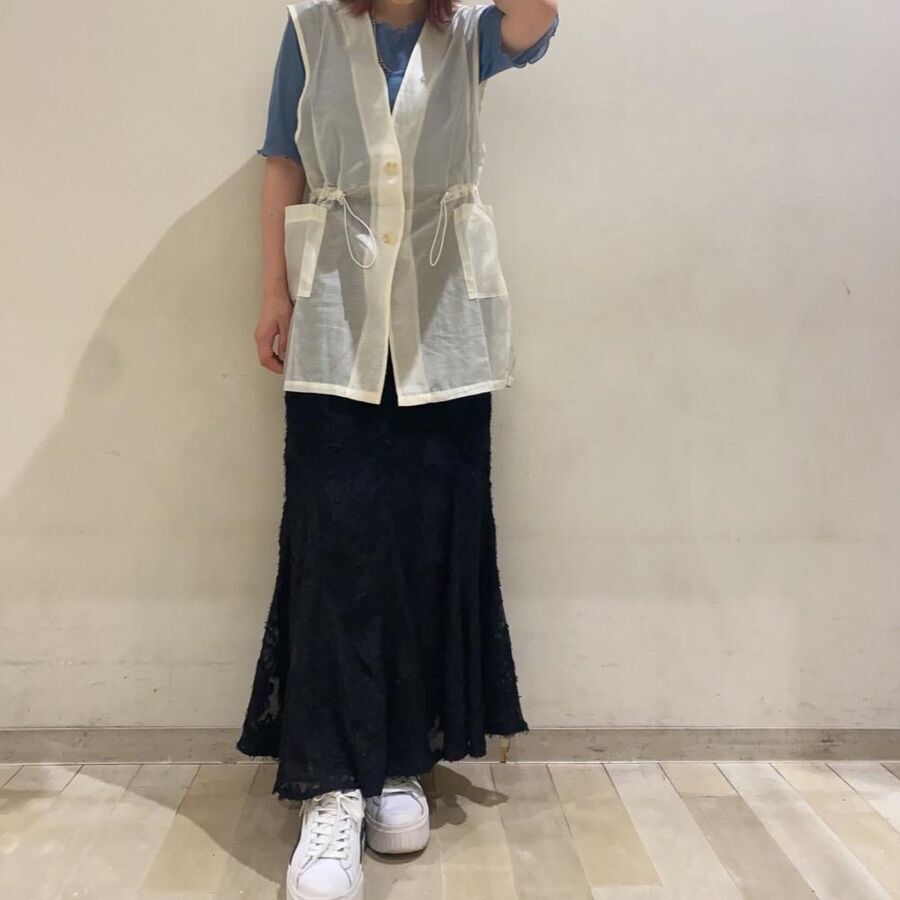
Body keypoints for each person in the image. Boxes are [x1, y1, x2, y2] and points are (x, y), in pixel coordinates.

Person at [236, 1, 559, 897]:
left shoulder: (472, 37)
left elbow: (539, 16)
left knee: (426, 540)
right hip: (334, 320)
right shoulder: (308, 29)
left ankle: (401, 759)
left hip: (443, 328)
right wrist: (272, 293)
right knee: (335, 546)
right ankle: (333, 783)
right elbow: (283, 162)